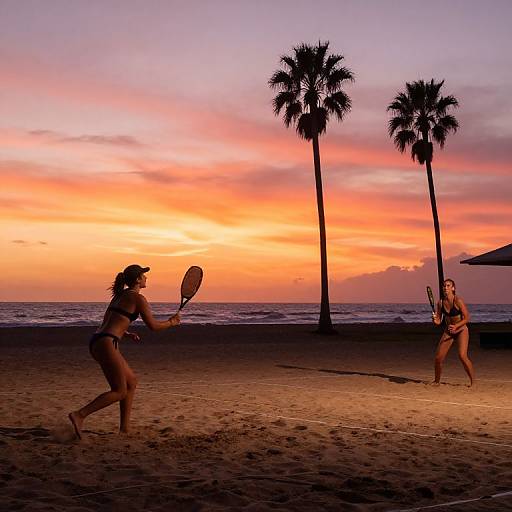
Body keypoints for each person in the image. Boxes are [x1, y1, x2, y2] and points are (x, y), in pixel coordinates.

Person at [68, 264, 180, 439]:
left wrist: (125, 333)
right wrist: (171, 323)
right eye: (143, 275)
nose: (146, 278)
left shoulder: (119, 295)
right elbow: (153, 326)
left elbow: (111, 319)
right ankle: (79, 415)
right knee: (119, 390)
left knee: (131, 382)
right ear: (137, 279)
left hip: (98, 340)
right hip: (106, 343)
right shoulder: (138, 299)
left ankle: (124, 429)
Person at [431, 278, 474, 386]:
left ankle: (473, 382)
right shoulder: (440, 303)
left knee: (462, 356)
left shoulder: (458, 300)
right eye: (444, 286)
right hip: (448, 331)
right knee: (438, 358)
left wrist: (456, 326)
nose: (445, 287)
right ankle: (436, 381)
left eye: (448, 285)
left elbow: (467, 317)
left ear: (453, 288)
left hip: (461, 329)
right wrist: (435, 320)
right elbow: (438, 321)